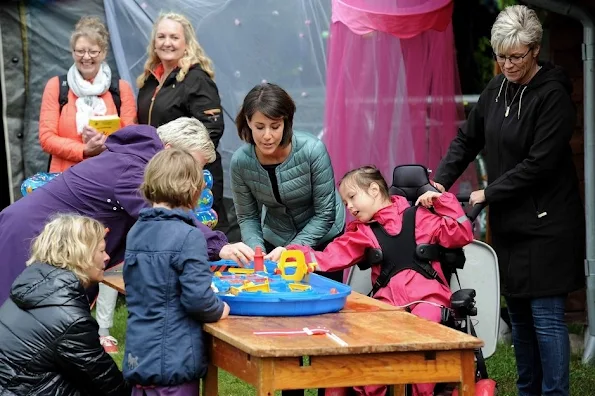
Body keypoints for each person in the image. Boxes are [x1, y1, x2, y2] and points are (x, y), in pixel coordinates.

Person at [432, 5, 585, 396]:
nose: (507, 64)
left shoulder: (553, 97)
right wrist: (439, 182)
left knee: (546, 319)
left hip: (549, 224)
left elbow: (539, 164)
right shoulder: (496, 89)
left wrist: (486, 192)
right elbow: (468, 139)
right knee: (517, 314)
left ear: (535, 50)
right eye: (501, 56)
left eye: (516, 56)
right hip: (512, 223)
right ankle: (526, 390)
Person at [0, 117, 252, 353]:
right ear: (168, 149)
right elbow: (165, 219)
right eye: (192, 165)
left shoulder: (136, 160)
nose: (193, 176)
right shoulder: (133, 168)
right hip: (27, 234)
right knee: (18, 330)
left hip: (37, 232)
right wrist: (218, 246)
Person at [287, 166, 473, 396]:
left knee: (421, 328)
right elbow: (331, 256)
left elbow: (463, 234)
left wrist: (442, 200)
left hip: (428, 302)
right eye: (346, 203)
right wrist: (294, 255)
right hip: (386, 309)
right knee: (356, 335)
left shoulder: (422, 217)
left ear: (374, 189)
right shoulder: (364, 232)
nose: (350, 207)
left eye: (353, 197)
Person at [123, 148, 230, 395]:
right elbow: (197, 299)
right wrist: (219, 309)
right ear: (194, 190)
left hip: (139, 356)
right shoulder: (189, 235)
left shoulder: (136, 230)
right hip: (173, 361)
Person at [0, 214, 128, 395]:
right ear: (80, 255)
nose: (107, 257)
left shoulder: (33, 285)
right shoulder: (69, 318)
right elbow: (110, 386)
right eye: (101, 251)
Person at [231, 83, 345, 281]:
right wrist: (257, 253)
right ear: (248, 122)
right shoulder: (240, 162)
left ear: (286, 123)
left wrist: (292, 250)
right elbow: (248, 217)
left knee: (321, 298)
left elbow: (325, 214)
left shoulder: (312, 150)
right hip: (276, 237)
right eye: (260, 127)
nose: (267, 136)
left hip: (324, 237)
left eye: (275, 127)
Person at [136, 12, 229, 234]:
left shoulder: (197, 78)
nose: (167, 43)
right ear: (154, 42)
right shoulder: (149, 79)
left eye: (174, 37)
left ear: (187, 43)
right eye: (161, 36)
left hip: (191, 177)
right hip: (159, 175)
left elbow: (212, 128)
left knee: (199, 233)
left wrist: (183, 165)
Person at [39, 16, 136, 173]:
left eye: (93, 51)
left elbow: (130, 136)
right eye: (80, 51)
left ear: (103, 53)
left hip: (108, 175)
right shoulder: (57, 86)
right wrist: (84, 149)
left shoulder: (121, 88)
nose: (86, 57)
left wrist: (105, 143)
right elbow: (46, 138)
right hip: (64, 179)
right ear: (72, 52)